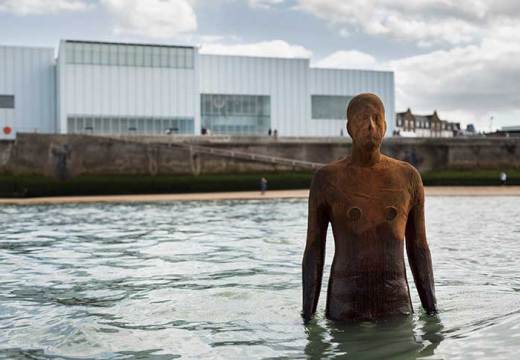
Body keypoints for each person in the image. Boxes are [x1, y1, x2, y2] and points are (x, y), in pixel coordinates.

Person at [302, 93, 437, 323]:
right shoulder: (327, 180)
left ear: (385, 126)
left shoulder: (408, 178)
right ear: (349, 127)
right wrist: (307, 317)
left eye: (377, 119)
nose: (370, 126)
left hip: (396, 308)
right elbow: (314, 249)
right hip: (344, 309)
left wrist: (433, 313)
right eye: (363, 119)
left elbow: (419, 248)